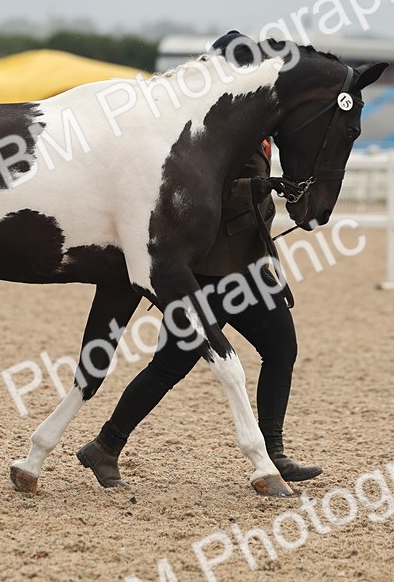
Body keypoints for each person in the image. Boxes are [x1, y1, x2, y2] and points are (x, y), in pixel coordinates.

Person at [75, 33, 322, 488]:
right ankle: (105, 445)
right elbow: (197, 194)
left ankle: (274, 451)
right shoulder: (210, 125)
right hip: (206, 271)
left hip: (245, 266)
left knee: (279, 348)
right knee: (172, 364)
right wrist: (259, 189)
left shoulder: (255, 121)